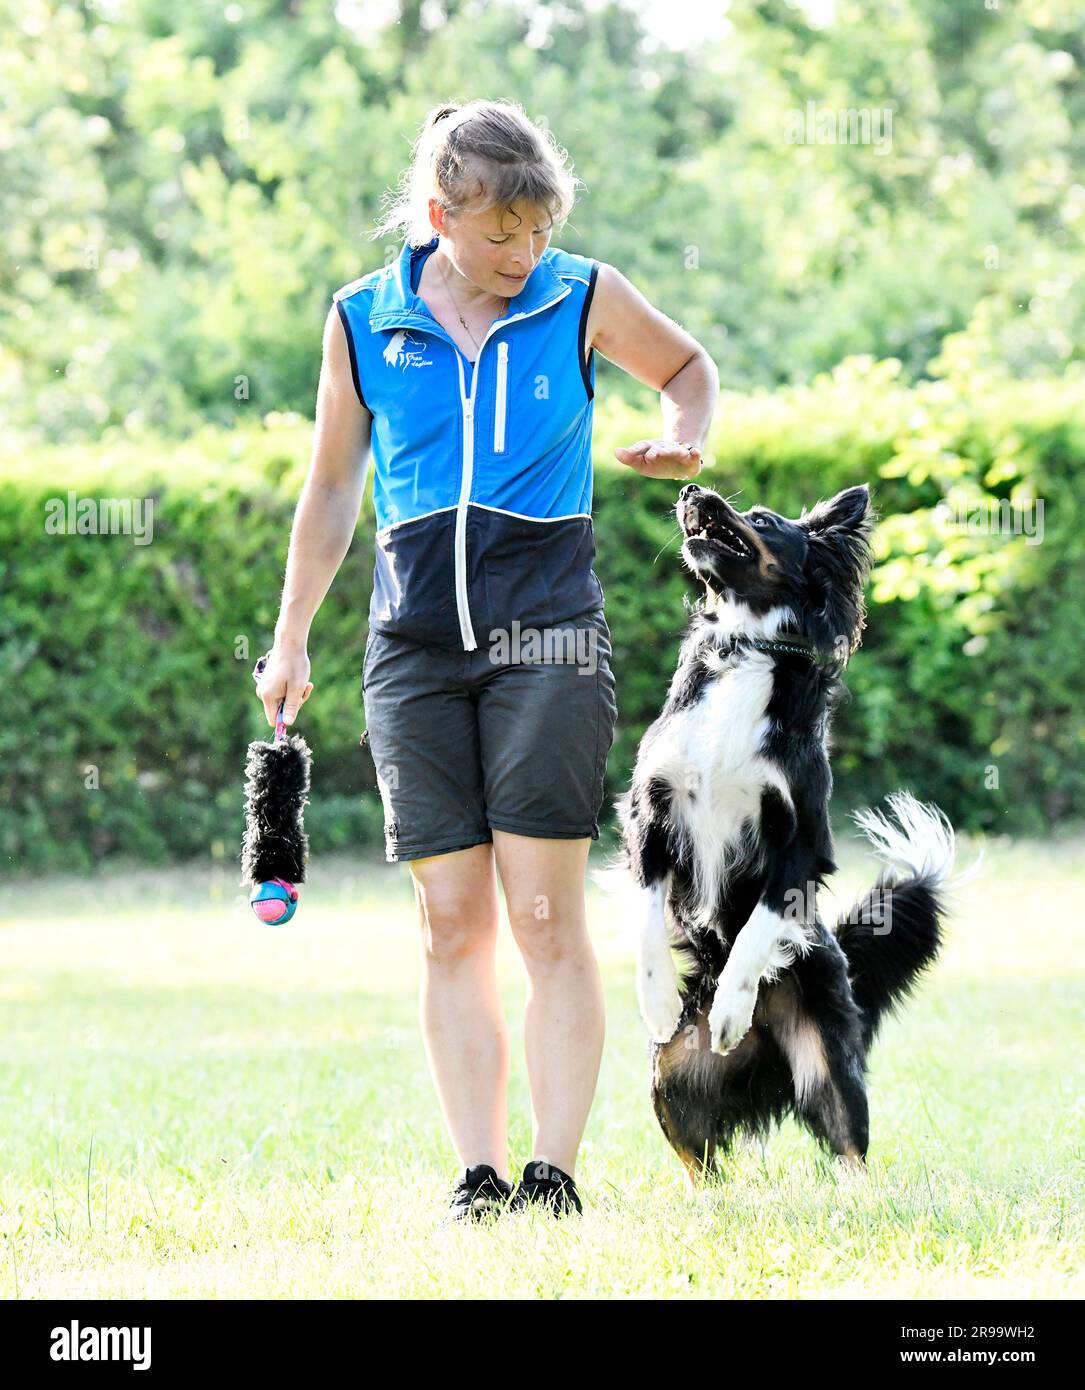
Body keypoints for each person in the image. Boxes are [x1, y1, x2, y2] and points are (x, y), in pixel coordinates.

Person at [254, 98, 719, 1220]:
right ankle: (478, 1173)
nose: (521, 256)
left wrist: (687, 432)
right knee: (449, 921)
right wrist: (290, 636)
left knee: (545, 916)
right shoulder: (362, 319)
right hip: (410, 647)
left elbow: (688, 366)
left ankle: (552, 1175)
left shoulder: (580, 294)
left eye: (537, 232)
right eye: (500, 234)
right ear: (437, 215)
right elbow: (329, 490)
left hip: (548, 634)